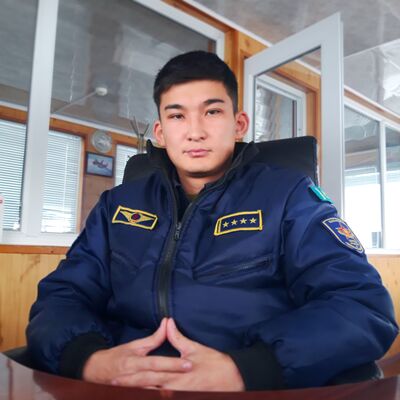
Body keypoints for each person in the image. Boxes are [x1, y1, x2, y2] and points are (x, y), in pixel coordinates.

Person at [27, 51, 398, 391]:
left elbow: (362, 306)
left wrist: (248, 369)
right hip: (126, 387)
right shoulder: (117, 206)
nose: (195, 131)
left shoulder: (289, 197)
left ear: (239, 124)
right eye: (177, 115)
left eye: (212, 112)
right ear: (160, 132)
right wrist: (87, 359)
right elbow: (62, 296)